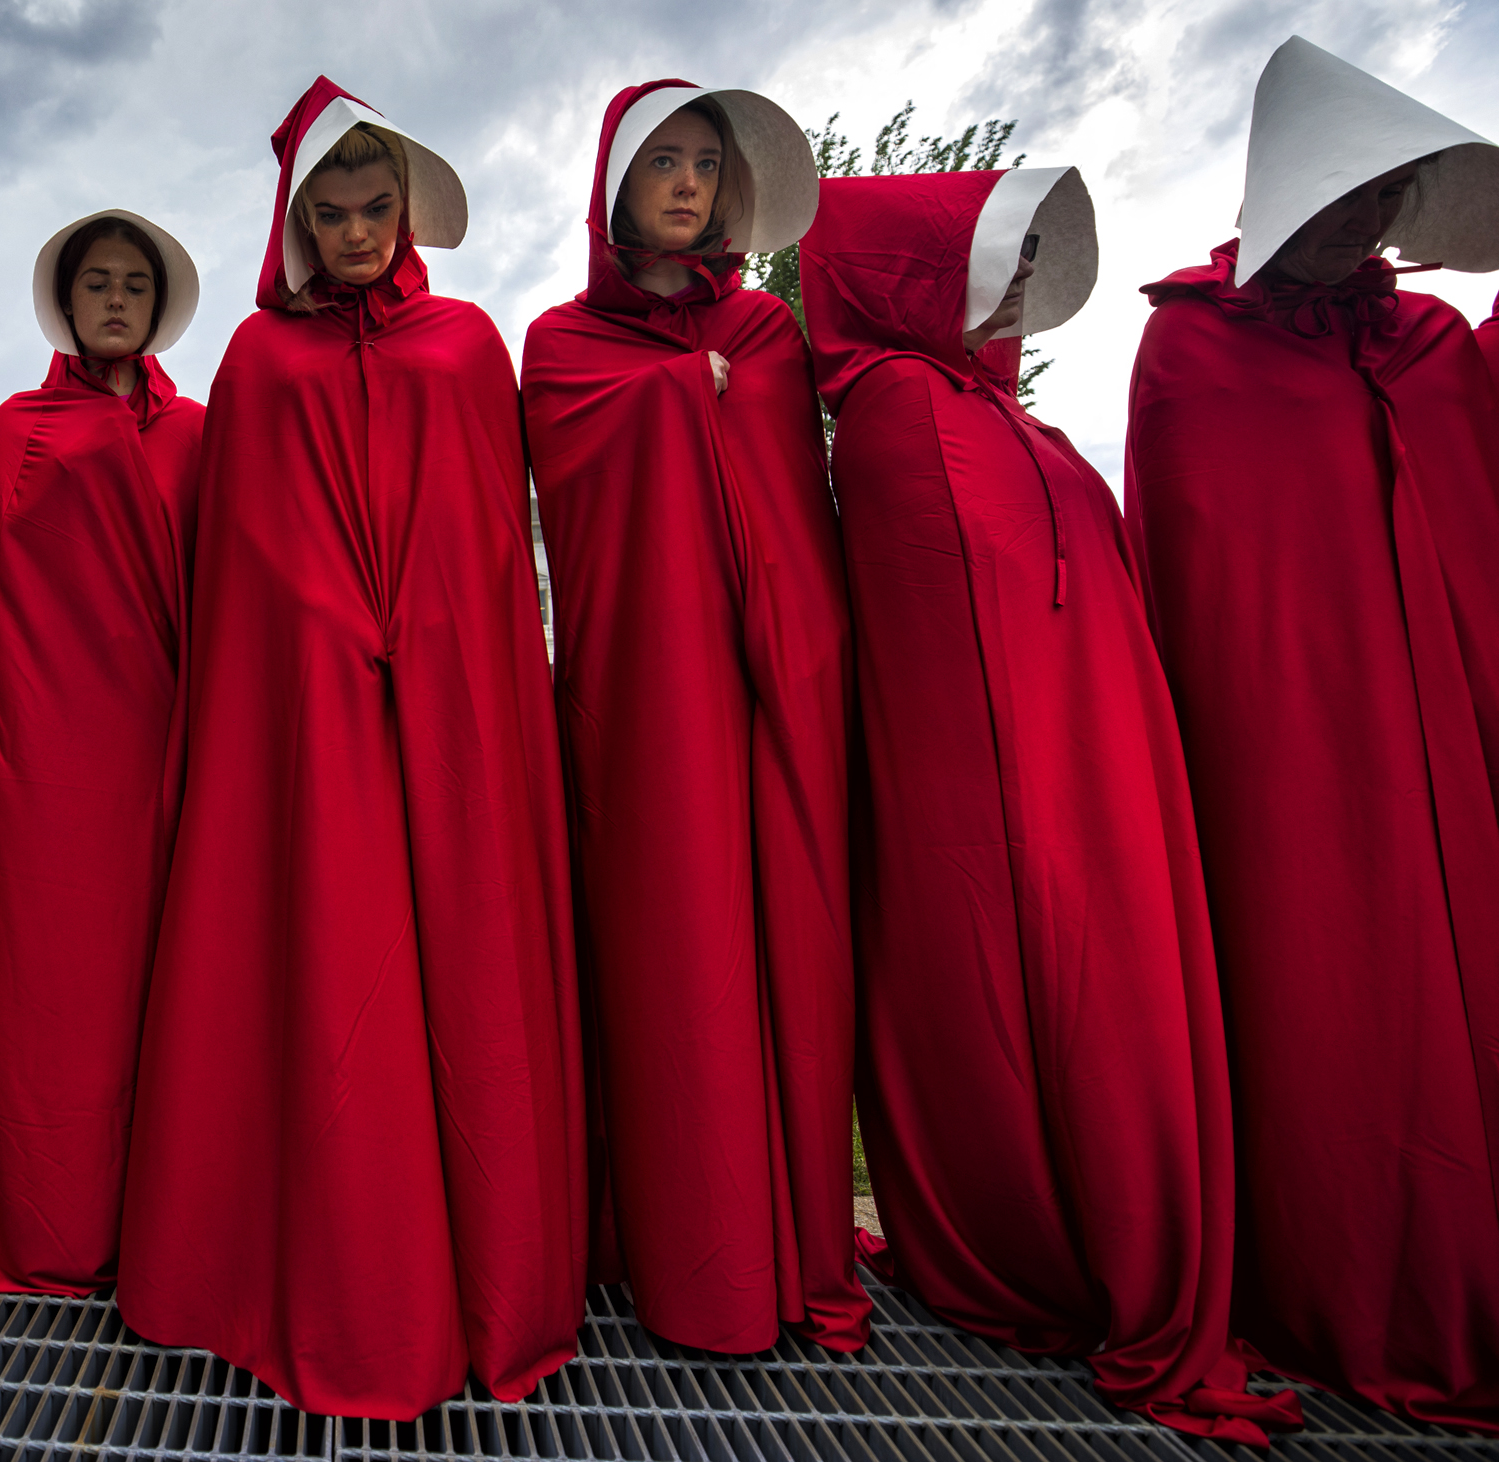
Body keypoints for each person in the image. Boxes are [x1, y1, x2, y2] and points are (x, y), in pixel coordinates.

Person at [801, 165, 1304, 1445]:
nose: (1017, 283)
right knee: (1066, 1000)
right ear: (914, 278)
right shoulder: (899, 409)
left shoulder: (1017, 423)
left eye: (1025, 260)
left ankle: (1121, 1239)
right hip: (1017, 798)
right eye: (990, 258)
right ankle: (1098, 1247)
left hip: (1100, 767)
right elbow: (957, 643)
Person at [116, 78, 583, 1420]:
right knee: (327, 954)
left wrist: (429, 629)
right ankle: (331, 1262)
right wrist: (330, 619)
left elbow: (495, 538)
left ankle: (487, 1273)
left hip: (449, 704)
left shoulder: (466, 345)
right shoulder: (258, 365)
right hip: (313, 712)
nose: (360, 233)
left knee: (462, 960)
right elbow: (248, 550)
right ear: (295, 223)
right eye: (332, 215)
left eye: (379, 209)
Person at [1125, 36, 1499, 1432]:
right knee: (1332, 1007)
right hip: (1290, 774)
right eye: (1346, 190)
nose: (1371, 218)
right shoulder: (1191, 351)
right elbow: (1205, 586)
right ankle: (1346, 1285)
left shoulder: (1435, 348)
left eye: (1394, 191)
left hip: (1451, 750)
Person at [521, 80, 865, 1357]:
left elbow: (789, 509)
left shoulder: (768, 337)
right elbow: (589, 505)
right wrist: (681, 397)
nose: (688, 185)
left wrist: (710, 389)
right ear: (614, 186)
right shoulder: (558, 346)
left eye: (708, 167)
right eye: (662, 161)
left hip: (777, 682)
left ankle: (799, 1241)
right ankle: (690, 1256)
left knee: (792, 953)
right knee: (677, 964)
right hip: (646, 702)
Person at [0, 210, 205, 1295]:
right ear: (69, 301)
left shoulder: (197, 433)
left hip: (157, 750)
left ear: (158, 303)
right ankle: (39, 1211)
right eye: (98, 283)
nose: (118, 298)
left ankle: (154, 1219)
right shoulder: (18, 424)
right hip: (35, 766)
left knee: (154, 990)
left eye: (135, 283)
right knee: (45, 994)